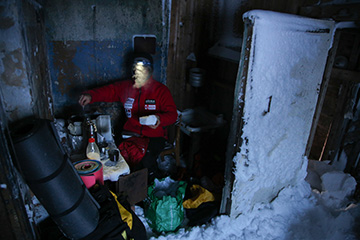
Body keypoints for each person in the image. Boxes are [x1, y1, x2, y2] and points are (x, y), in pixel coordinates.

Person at [79, 52, 178, 182]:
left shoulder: (161, 91)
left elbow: (173, 115)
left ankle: (145, 186)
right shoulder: (126, 87)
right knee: (115, 156)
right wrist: (91, 96)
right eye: (136, 70)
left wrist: (159, 119)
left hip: (154, 135)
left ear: (150, 70)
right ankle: (123, 186)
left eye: (143, 70)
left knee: (146, 159)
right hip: (130, 132)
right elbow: (109, 91)